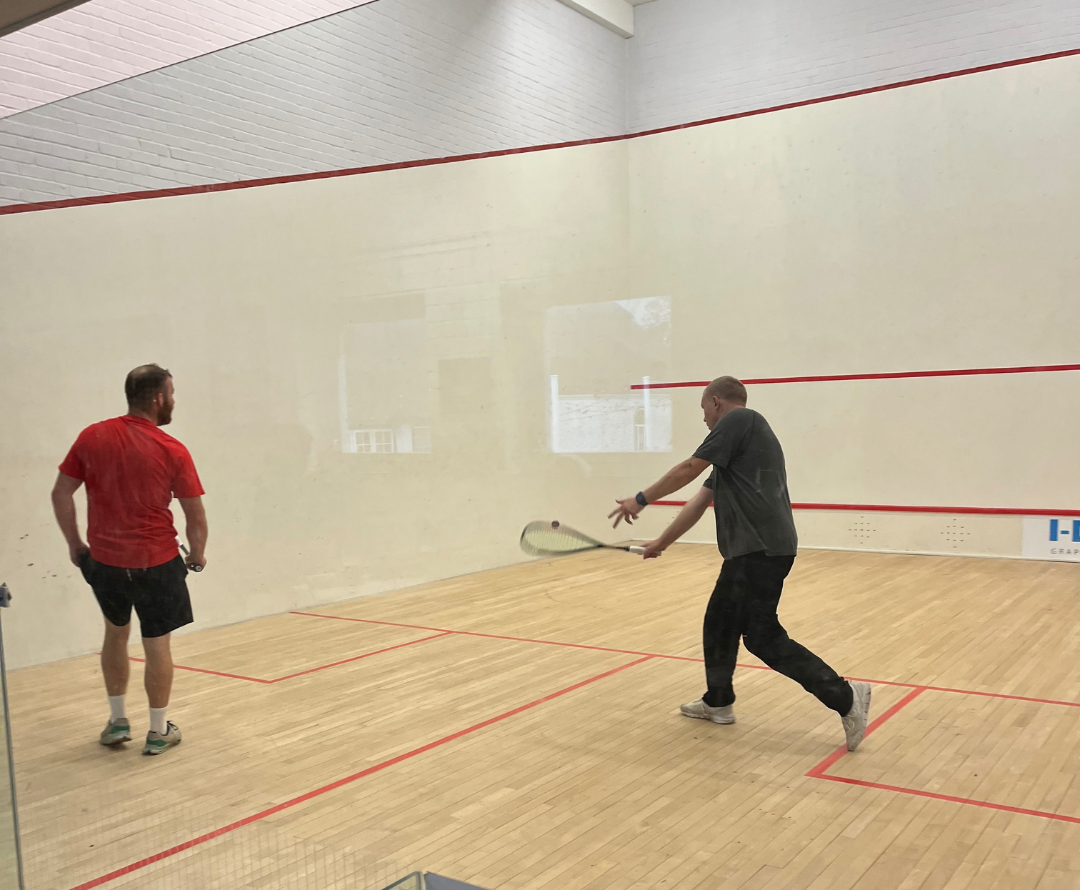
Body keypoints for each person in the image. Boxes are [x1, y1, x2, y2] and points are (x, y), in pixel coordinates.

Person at [609, 376, 871, 752]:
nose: (704, 421)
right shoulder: (739, 448)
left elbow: (688, 468)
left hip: (758, 550)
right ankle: (718, 701)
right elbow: (700, 502)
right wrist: (660, 543)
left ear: (716, 402)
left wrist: (640, 498)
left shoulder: (740, 421)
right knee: (719, 622)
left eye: (703, 411)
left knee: (762, 636)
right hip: (759, 551)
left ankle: (846, 697)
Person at [51, 364, 208, 756]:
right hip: (157, 564)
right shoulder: (172, 449)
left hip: (105, 563)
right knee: (156, 646)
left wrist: (75, 545)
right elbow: (196, 516)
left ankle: (118, 722)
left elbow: (60, 493)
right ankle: (158, 731)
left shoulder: (93, 436)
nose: (174, 400)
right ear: (158, 398)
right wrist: (199, 555)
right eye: (172, 393)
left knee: (115, 634)